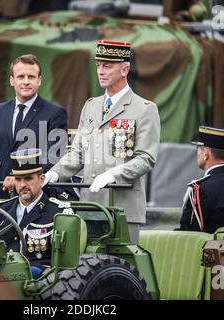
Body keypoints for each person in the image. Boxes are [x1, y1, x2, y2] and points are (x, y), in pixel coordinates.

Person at [43, 40, 161, 244]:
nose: (100, 71)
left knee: (121, 269)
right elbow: (78, 153)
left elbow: (146, 158)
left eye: (107, 66)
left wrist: (112, 175)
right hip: (89, 207)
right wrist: (55, 172)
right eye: (98, 65)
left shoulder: (144, 109)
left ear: (125, 69)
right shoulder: (91, 106)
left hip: (122, 208)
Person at [0, 54, 68, 199]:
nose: (26, 81)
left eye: (31, 77)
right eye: (21, 77)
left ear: (39, 81)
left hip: (38, 198)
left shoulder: (55, 113)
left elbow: (54, 156)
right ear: (12, 80)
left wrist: (22, 178)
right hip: (2, 196)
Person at [0, 148, 62, 274]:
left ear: (41, 179)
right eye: (18, 179)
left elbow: (63, 265)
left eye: (28, 178)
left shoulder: (58, 213)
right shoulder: (1, 210)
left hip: (39, 282)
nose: (22, 184)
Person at [178, 126, 224, 233]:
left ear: (205, 154)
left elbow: (186, 234)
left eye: (198, 149)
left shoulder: (199, 189)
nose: (197, 153)